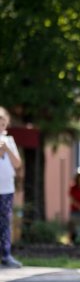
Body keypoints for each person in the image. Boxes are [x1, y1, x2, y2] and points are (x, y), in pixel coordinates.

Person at [0, 107, 23, 268]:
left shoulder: (9, 141)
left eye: (3, 124)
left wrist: (6, 149)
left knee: (5, 222)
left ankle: (6, 255)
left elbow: (17, 163)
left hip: (7, 189)